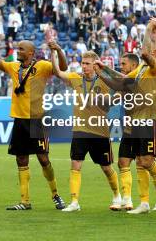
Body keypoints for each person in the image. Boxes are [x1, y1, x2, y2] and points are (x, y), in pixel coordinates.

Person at [96, 19, 156, 215]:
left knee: (147, 161)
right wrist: (102, 71)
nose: (149, 52)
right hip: (135, 120)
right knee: (141, 161)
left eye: (152, 50)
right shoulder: (141, 70)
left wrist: (150, 31)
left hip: (150, 118)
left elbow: (144, 53)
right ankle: (144, 203)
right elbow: (121, 82)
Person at [0, 38, 66, 210]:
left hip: (36, 120)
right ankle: (25, 201)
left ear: (30, 53)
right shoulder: (13, 67)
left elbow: (62, 69)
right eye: (17, 48)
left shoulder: (42, 66)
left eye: (21, 49)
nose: (17, 51)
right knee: (21, 159)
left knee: (43, 158)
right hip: (19, 120)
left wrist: (58, 50)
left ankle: (55, 195)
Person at [51, 48, 121, 212]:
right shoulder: (76, 78)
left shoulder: (104, 80)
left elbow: (122, 89)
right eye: (83, 63)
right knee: (75, 164)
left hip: (99, 130)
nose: (84, 66)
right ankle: (74, 202)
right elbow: (59, 73)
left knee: (106, 167)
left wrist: (109, 99)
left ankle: (118, 196)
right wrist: (54, 54)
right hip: (80, 129)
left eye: (88, 64)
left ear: (95, 65)